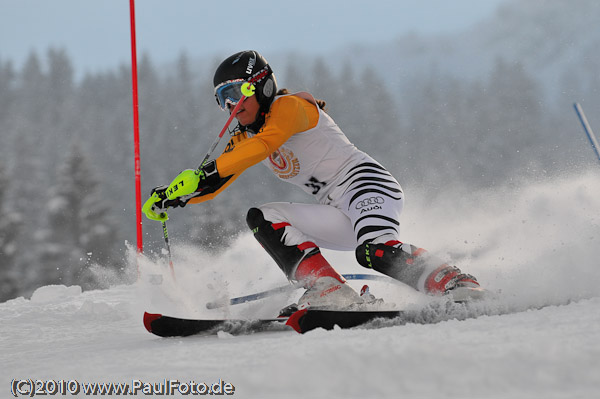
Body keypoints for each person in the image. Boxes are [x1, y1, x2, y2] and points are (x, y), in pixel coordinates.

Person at [142, 50, 481, 310]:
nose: (231, 105)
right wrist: (174, 196)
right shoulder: (245, 135)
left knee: (372, 250)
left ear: (260, 85)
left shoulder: (288, 108)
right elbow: (219, 178)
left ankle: (453, 281)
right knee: (262, 217)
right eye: (221, 99)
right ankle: (329, 289)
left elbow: (264, 145)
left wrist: (204, 173)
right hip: (336, 209)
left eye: (234, 92)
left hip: (367, 186)